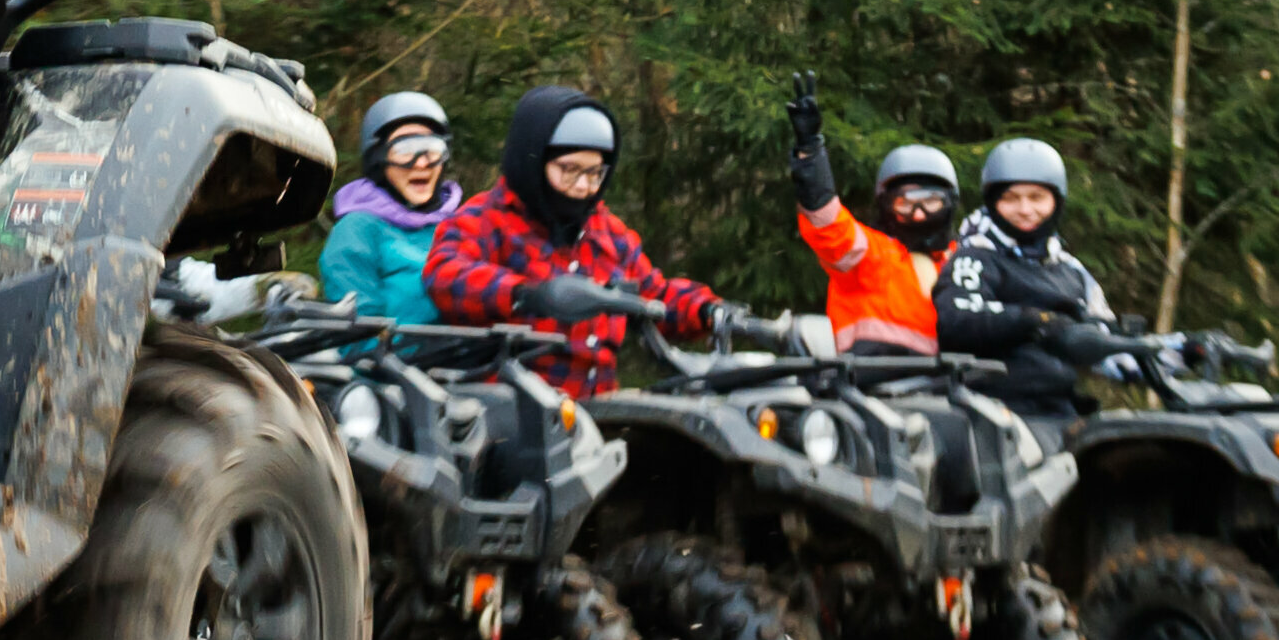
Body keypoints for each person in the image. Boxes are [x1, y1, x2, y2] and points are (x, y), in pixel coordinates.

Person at [421, 86, 729, 397]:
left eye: (594, 173)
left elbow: (653, 296)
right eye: (569, 170)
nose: (583, 186)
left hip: (598, 412)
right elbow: (445, 273)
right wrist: (526, 295)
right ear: (533, 159)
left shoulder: (608, 233)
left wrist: (708, 311)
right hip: (511, 412)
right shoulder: (485, 219)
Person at [931, 134, 1120, 413]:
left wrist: (1174, 353)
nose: (1025, 210)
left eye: (1037, 198)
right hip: (990, 408)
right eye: (1010, 198)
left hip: (1060, 407)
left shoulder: (1071, 271)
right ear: (993, 202)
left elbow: (1109, 343)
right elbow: (957, 319)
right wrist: (1035, 321)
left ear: (1056, 201)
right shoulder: (975, 258)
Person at [784, 73, 948, 352]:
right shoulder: (871, 256)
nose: (918, 214)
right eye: (904, 203)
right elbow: (829, 227)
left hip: (950, 387)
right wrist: (810, 155)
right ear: (886, 205)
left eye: (929, 202)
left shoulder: (963, 263)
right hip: (868, 382)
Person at [316, 91, 459, 322]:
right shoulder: (358, 230)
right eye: (405, 150)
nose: (421, 163)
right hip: (403, 356)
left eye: (432, 149)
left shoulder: (463, 224)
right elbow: (356, 335)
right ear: (378, 158)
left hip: (479, 354)